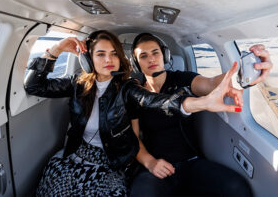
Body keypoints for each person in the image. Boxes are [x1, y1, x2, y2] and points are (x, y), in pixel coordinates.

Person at [24, 30, 242, 196]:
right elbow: (34, 86)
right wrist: (58, 48)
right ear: (88, 60)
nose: (108, 60)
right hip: (75, 157)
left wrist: (206, 99)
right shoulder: (77, 84)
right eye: (100, 54)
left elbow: (157, 101)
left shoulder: (127, 88)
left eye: (113, 54)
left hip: (112, 160)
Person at [130, 33, 272, 196]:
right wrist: (151, 162)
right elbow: (133, 139)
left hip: (191, 163)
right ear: (137, 64)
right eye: (143, 56)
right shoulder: (136, 94)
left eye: (155, 52)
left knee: (236, 187)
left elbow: (210, 84)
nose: (151, 59)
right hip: (157, 168)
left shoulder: (182, 79)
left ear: (164, 55)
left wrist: (244, 73)